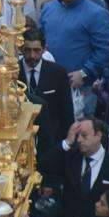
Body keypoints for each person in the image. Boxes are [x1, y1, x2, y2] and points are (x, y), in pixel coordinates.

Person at [39, 0, 109, 117]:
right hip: (48, 82)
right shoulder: (48, 8)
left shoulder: (97, 14)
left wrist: (85, 73)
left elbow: (106, 51)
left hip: (80, 86)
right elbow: (39, 39)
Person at [21, 27, 74, 187]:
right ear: (20, 49)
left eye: (37, 50)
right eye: (27, 50)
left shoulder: (58, 73)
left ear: (45, 49)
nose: (32, 56)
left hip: (50, 143)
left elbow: (67, 115)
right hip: (21, 145)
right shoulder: (12, 73)